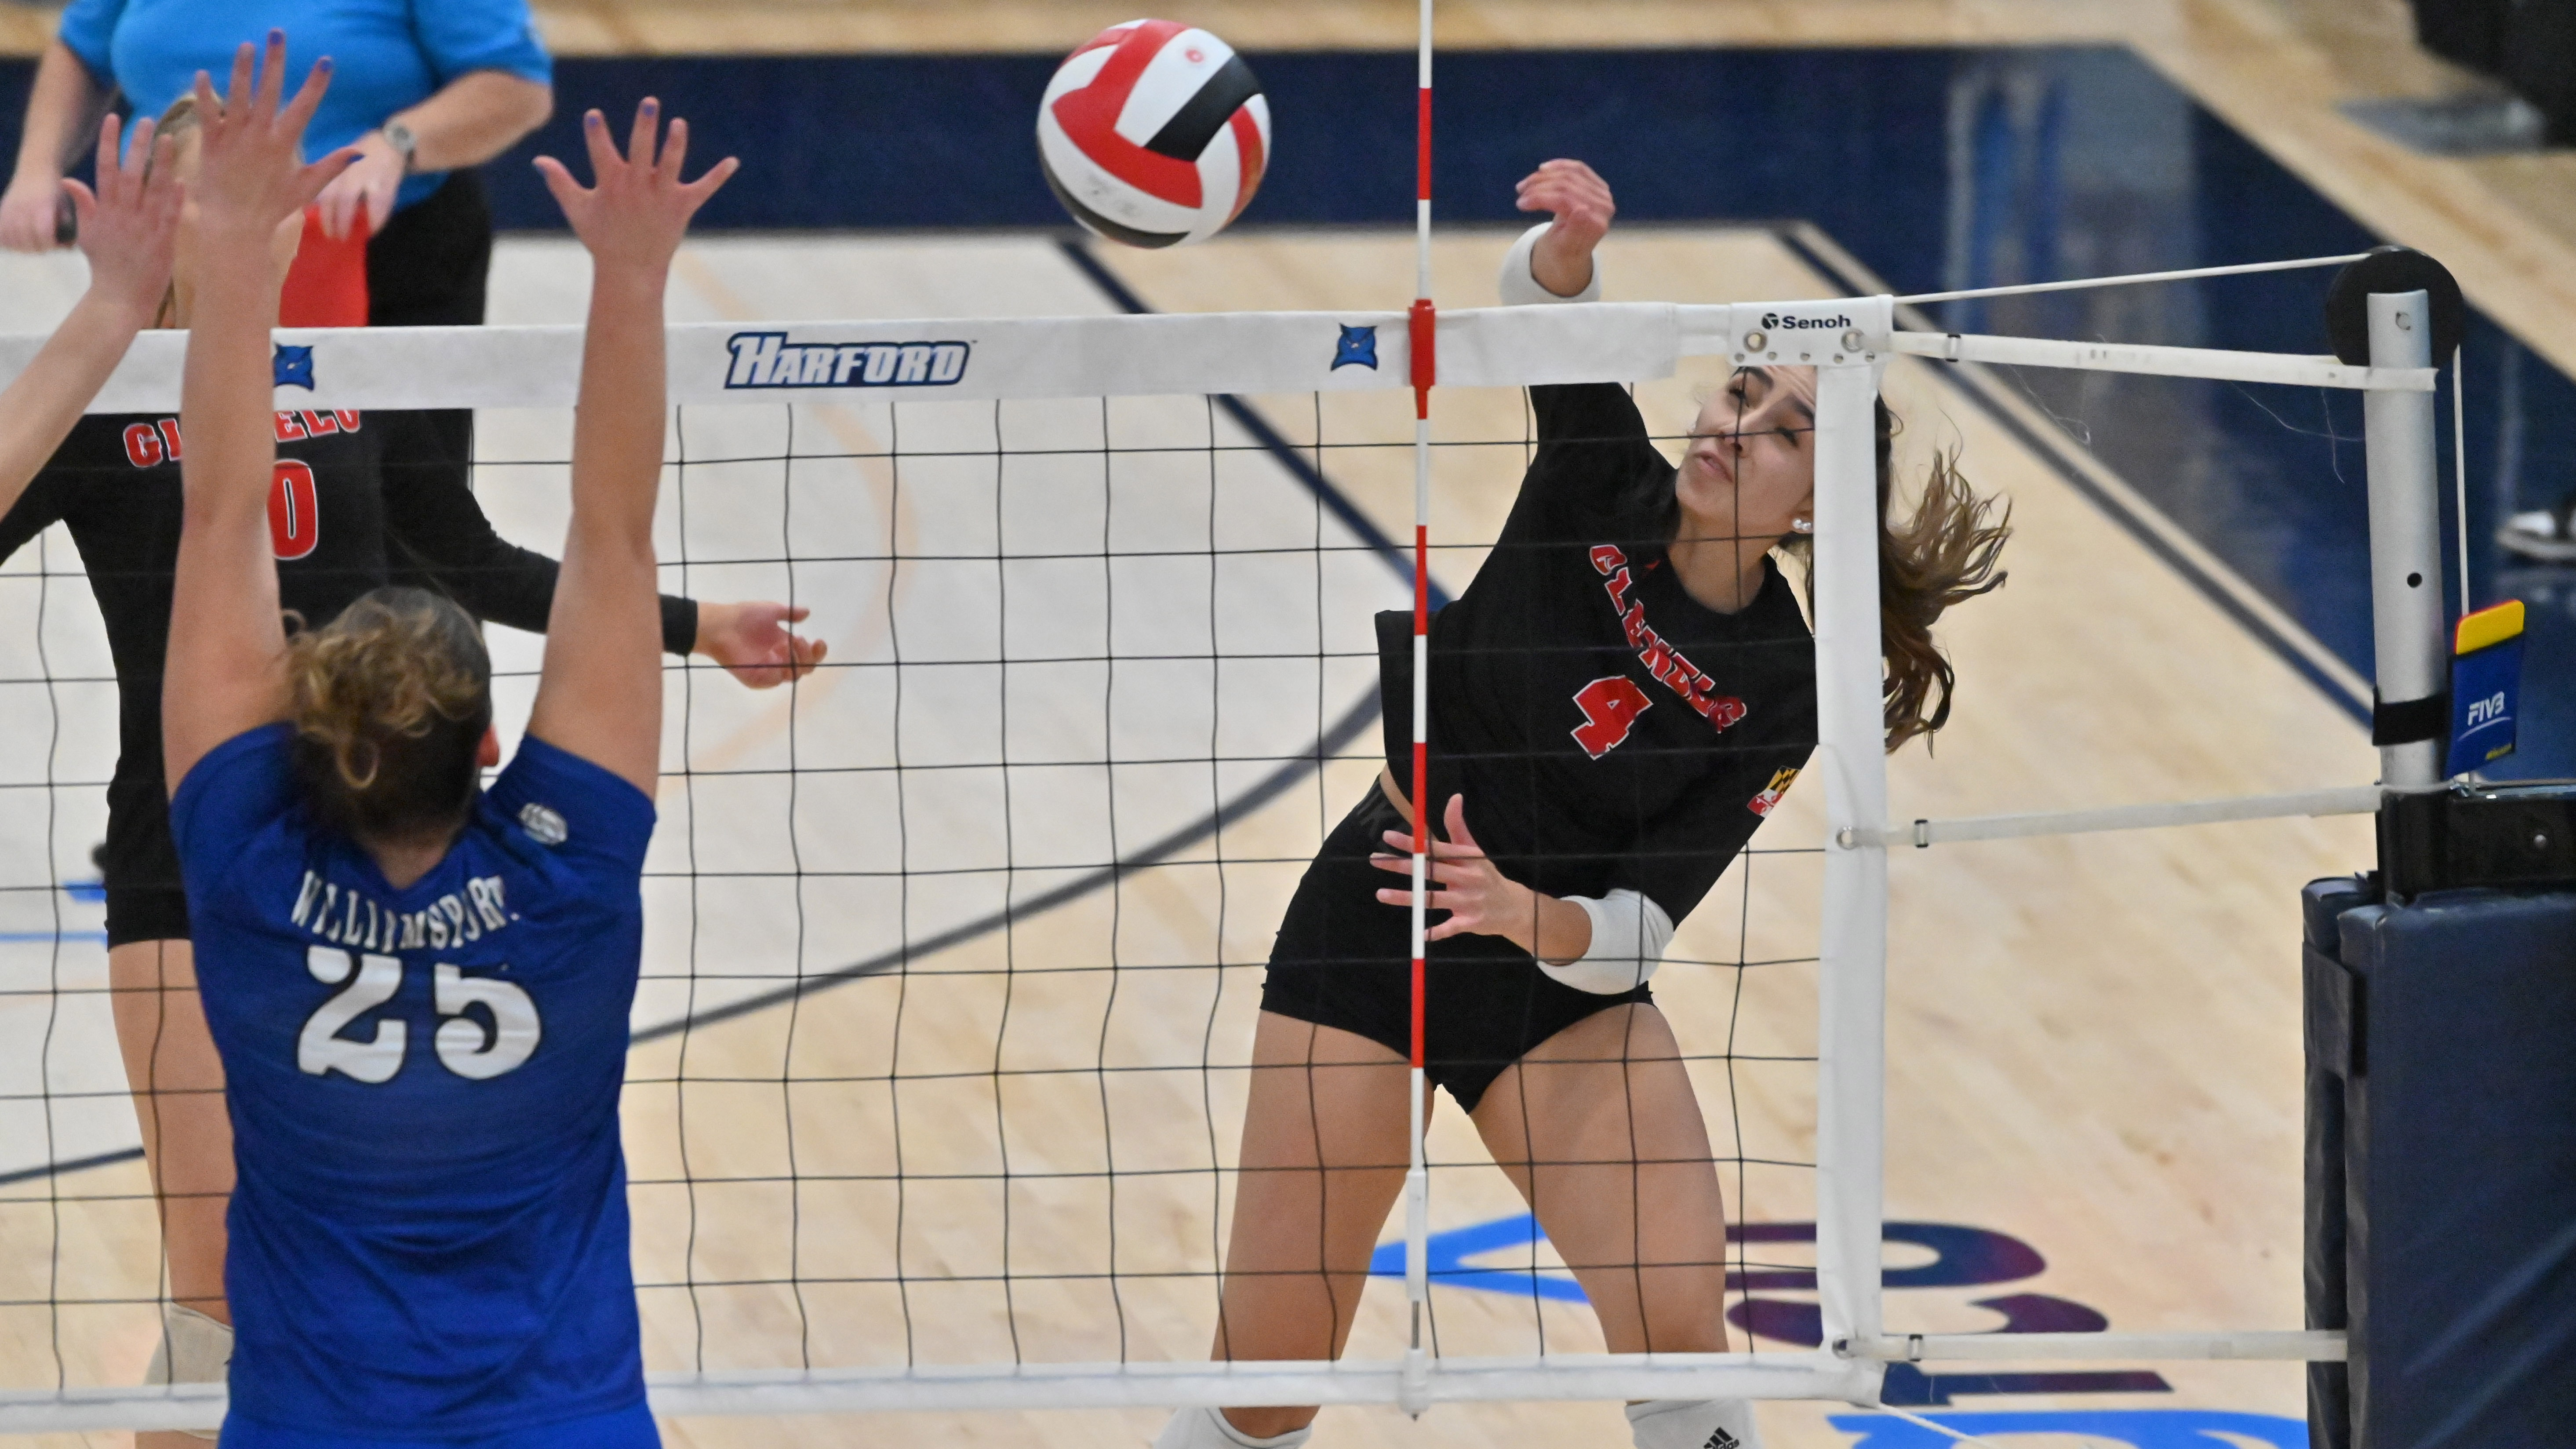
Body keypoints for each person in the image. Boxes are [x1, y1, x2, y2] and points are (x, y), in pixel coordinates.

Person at [0, 71, 817, 1449]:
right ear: (153, 203)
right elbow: (225, 518)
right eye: (214, 180)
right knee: (218, 1312)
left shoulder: (357, 371)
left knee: (327, 1285)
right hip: (197, 860)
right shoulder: (99, 399)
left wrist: (691, 625)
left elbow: (470, 557)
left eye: (267, 178)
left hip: (384, 835)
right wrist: (108, 314)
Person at [1152, 159, 2012, 1449]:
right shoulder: (1598, 473)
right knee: (1266, 1387)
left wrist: (1518, 912)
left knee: (1685, 1356)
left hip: (1561, 992)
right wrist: (1569, 248)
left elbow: (1642, 931)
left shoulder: (1782, 683)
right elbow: (1541, 314)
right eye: (1738, 393)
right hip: (1378, 918)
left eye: (1784, 430)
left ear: (1814, 497)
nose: (1735, 429)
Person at [162, 39, 727, 1444]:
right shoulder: (568, 877)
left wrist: (228, 249)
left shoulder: (239, 860)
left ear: (298, 726)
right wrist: (633, 275)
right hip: (565, 1420)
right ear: (491, 749)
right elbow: (613, 536)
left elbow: (223, 513)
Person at [3, 0, 567, 678]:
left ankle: (437, 715)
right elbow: (80, 47)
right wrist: (36, 171)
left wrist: (398, 145)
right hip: (164, 270)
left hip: (385, 253)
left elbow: (518, 85)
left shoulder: (369, 388)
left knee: (402, 531)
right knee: (171, 499)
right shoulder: (107, 405)